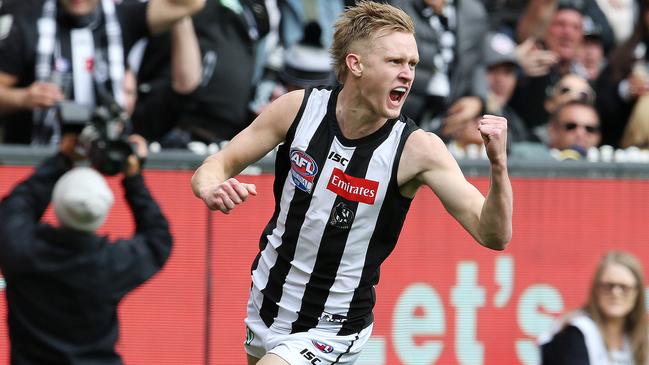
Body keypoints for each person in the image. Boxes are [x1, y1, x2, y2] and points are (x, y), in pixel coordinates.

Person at [191, 2, 513, 364]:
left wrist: (498, 166)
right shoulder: (297, 109)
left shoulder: (417, 149)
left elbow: (493, 235)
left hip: (333, 326)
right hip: (267, 300)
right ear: (355, 64)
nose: (408, 74)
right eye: (395, 62)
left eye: (412, 64)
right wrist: (210, 187)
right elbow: (217, 164)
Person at [0, 133, 173, 364]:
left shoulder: (23, 252)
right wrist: (134, 178)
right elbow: (158, 239)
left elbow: (16, 206)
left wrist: (62, 159)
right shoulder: (109, 263)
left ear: (58, 202)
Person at [0, 0, 205, 145]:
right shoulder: (26, 18)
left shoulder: (121, 16)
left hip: (105, 156)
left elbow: (189, 4)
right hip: (34, 157)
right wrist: (23, 97)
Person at [539, 250, 648, 365]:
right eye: (608, 286)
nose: (616, 293)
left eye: (624, 288)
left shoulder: (642, 336)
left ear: (637, 293)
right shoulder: (577, 331)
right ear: (596, 289)